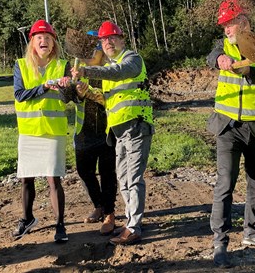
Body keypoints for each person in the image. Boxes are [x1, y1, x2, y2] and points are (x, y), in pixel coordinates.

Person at [206, 0, 255, 268]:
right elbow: (211, 56)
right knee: (225, 183)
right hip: (228, 127)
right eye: (223, 25)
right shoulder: (222, 46)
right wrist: (220, 59)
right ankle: (220, 242)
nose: (226, 29)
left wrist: (249, 70)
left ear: (244, 22)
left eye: (230, 23)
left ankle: (251, 233)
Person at [73, 21, 154, 246]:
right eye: (103, 40)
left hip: (137, 126)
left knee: (133, 178)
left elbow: (118, 73)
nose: (107, 42)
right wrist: (87, 91)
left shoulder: (131, 60)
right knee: (123, 179)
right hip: (119, 132)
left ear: (121, 39)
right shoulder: (113, 66)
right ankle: (131, 221)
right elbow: (107, 98)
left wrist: (86, 71)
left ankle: (134, 227)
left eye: (111, 38)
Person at [12, 19, 73, 243]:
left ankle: (60, 225)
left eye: (48, 38)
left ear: (53, 43)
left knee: (53, 180)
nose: (44, 41)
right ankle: (28, 219)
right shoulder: (21, 65)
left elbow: (70, 99)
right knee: (26, 179)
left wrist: (69, 87)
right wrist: (44, 86)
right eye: (39, 38)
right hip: (29, 131)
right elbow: (19, 94)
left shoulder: (62, 65)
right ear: (32, 43)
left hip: (53, 131)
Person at [72, 30, 117, 236]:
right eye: (86, 51)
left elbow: (108, 97)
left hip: (107, 131)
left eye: (94, 49)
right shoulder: (77, 70)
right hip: (83, 132)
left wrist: (87, 91)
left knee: (108, 173)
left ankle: (109, 213)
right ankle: (98, 205)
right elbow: (67, 96)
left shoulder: (110, 70)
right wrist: (71, 85)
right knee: (84, 172)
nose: (89, 55)